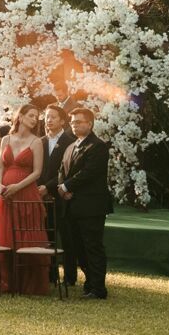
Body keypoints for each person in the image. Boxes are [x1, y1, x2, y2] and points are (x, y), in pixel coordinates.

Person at [0, 104, 50, 295]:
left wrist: (17, 186)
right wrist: (0, 185)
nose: (35, 119)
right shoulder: (6, 138)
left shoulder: (36, 142)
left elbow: (37, 172)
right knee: (7, 237)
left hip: (26, 194)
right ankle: (9, 282)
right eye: (31, 115)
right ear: (21, 116)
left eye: (37, 116)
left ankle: (30, 284)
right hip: (5, 195)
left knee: (27, 236)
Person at [56, 107, 112, 299]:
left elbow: (89, 172)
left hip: (91, 206)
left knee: (93, 246)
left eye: (78, 122)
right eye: (72, 122)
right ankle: (89, 283)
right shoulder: (71, 146)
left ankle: (98, 288)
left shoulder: (97, 146)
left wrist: (68, 186)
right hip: (72, 206)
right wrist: (62, 188)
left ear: (89, 124)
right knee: (78, 247)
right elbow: (61, 170)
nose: (74, 125)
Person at [38, 104, 72, 287]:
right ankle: (49, 274)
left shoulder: (69, 141)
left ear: (62, 121)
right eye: (46, 116)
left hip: (60, 195)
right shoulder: (40, 141)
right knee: (46, 235)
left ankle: (69, 276)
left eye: (52, 117)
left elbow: (65, 171)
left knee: (66, 236)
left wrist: (48, 186)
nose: (48, 120)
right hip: (40, 195)